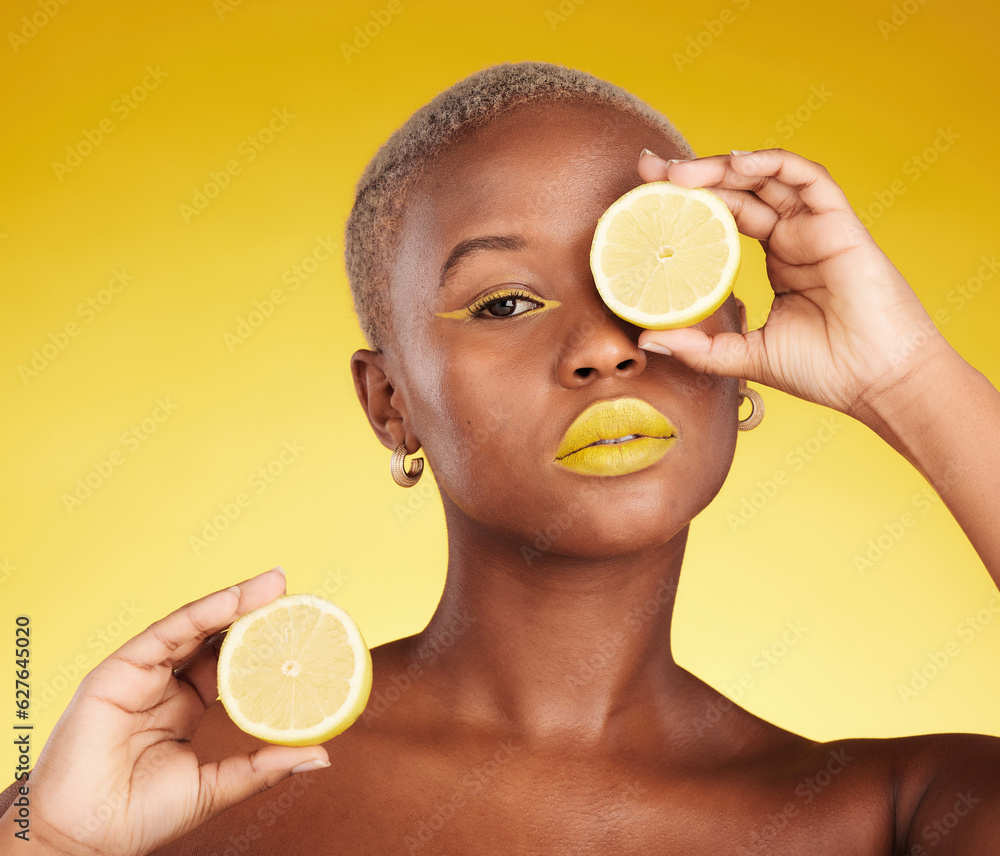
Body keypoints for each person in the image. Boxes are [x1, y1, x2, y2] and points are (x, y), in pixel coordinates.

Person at [2, 60, 999, 855]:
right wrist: (40, 840)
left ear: (734, 347)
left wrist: (902, 373)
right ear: (391, 404)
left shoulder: (901, 812)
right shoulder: (175, 785)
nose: (606, 348)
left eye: (644, 273)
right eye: (504, 304)